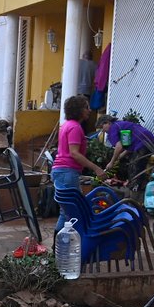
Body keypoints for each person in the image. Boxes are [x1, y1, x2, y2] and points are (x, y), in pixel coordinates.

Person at [51, 95, 107, 235]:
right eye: (86, 107)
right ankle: (62, 246)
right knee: (71, 212)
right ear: (79, 110)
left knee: (67, 211)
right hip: (67, 172)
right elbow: (74, 153)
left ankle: (58, 247)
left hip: (63, 172)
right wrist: (96, 168)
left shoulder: (66, 125)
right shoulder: (75, 128)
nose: (89, 110)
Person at [97, 114, 154, 191]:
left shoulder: (113, 128)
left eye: (102, 127)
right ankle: (138, 188)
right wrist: (120, 156)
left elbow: (119, 146)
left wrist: (111, 162)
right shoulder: (120, 124)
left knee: (135, 169)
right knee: (137, 167)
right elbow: (129, 144)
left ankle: (135, 193)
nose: (103, 130)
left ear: (108, 122)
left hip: (143, 143)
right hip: (150, 140)